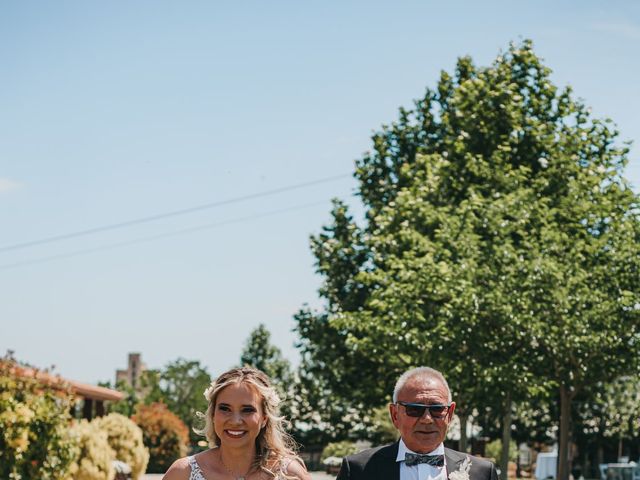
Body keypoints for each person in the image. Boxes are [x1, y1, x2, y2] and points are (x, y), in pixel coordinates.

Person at [337, 366, 498, 480]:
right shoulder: (358, 470)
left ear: (449, 413)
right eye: (415, 409)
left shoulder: (482, 473)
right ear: (395, 415)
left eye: (437, 409)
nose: (427, 419)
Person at [163, 366, 311, 480]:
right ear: (213, 414)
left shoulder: (290, 475)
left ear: (264, 418)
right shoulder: (182, 473)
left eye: (247, 410)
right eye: (225, 409)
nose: (235, 421)